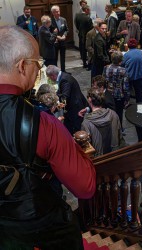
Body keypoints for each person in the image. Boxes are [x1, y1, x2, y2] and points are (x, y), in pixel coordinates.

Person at [0, 26, 96, 250]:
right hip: (39, 222)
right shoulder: (43, 123)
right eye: (37, 63)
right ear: (22, 66)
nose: (39, 69)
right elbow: (85, 187)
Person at [46, 65, 88, 135]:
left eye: (49, 77)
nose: (49, 79)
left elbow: (64, 98)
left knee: (75, 131)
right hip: (72, 106)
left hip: (75, 109)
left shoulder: (64, 80)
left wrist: (54, 98)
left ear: (52, 76)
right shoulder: (63, 76)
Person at [81, 88, 122, 157]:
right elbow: (119, 136)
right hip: (114, 155)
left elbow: (87, 149)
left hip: (99, 159)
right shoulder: (113, 114)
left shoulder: (86, 123)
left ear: (90, 99)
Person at [103, 51, 130, 130]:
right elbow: (125, 86)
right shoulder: (123, 71)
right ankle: (119, 129)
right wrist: (127, 98)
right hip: (119, 96)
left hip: (108, 94)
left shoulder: (106, 68)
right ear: (120, 60)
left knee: (108, 113)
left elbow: (103, 81)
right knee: (119, 114)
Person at [122, 38, 142, 103]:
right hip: (140, 76)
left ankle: (128, 104)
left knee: (127, 92)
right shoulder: (140, 52)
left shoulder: (126, 55)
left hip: (130, 76)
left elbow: (122, 64)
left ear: (128, 46)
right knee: (139, 94)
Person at [51, 5, 69, 73]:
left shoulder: (63, 19)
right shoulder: (50, 21)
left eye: (58, 11)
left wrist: (64, 35)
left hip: (63, 41)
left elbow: (67, 29)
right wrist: (57, 37)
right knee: (55, 58)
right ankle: (56, 72)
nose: (58, 13)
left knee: (63, 57)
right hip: (55, 42)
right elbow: (49, 32)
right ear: (53, 13)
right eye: (56, 12)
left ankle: (63, 71)